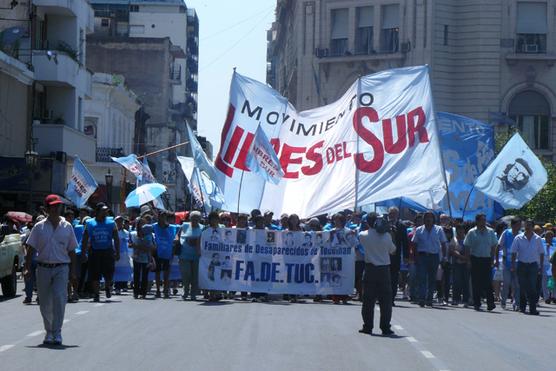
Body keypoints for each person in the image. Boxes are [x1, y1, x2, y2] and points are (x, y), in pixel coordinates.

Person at [24, 195, 78, 345]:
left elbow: (72, 250)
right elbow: (31, 248)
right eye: (52, 207)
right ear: (46, 209)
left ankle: (57, 331)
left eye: (57, 206)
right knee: (45, 302)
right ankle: (49, 331)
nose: (55, 209)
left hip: (61, 268)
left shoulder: (67, 226)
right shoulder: (39, 227)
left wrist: (73, 272)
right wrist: (27, 268)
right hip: (43, 268)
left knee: (60, 299)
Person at [358, 213, 396, 336]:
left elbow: (361, 237)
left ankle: (367, 326)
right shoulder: (387, 236)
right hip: (384, 270)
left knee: (368, 300)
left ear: (368, 223)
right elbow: (393, 250)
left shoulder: (363, 235)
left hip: (370, 269)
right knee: (386, 300)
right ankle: (385, 327)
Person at [81, 203, 120, 302]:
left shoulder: (111, 222)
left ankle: (107, 287)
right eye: (103, 211)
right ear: (97, 211)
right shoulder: (89, 223)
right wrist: (83, 253)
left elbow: (116, 238)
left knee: (109, 273)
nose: (105, 212)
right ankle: (96, 294)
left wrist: (117, 252)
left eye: (106, 211)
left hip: (108, 251)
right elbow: (85, 238)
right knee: (95, 274)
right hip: (94, 251)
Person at [412, 212, 447, 307]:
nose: (428, 219)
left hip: (434, 256)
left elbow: (444, 243)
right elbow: (414, 244)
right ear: (424, 219)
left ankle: (429, 299)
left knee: (432, 279)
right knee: (422, 278)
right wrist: (415, 257)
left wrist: (444, 257)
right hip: (422, 256)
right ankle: (422, 298)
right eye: (426, 217)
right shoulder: (419, 230)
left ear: (433, 219)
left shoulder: (438, 229)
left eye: (430, 218)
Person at [464, 213, 498, 311]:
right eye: (482, 220)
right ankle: (477, 303)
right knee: (476, 283)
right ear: (477, 221)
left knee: (488, 282)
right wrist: (468, 261)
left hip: (486, 259)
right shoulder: (471, 232)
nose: (484, 222)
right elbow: (467, 246)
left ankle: (490, 303)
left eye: (485, 220)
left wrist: (493, 259)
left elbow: (493, 246)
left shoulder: (491, 232)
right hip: (475, 259)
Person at [511, 219, 544, 315]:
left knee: (533, 287)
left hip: (533, 265)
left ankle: (532, 308)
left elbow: (541, 253)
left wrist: (540, 266)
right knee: (522, 287)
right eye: (526, 225)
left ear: (533, 227)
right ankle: (522, 307)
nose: (527, 227)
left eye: (529, 225)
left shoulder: (538, 239)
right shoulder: (518, 238)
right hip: (521, 264)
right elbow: (513, 252)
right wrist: (513, 265)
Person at [177, 211, 203, 301]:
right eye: (193, 218)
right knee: (186, 274)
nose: (195, 220)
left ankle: (193, 293)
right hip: (184, 254)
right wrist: (177, 240)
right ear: (190, 218)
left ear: (200, 219)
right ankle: (185, 291)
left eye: (197, 218)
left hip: (197, 255)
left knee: (195, 275)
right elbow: (178, 235)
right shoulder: (184, 225)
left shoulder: (202, 228)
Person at [153, 211, 179, 298]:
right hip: (157, 252)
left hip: (168, 252)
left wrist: (177, 237)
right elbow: (143, 227)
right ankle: (157, 290)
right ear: (158, 217)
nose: (162, 219)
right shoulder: (154, 226)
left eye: (164, 217)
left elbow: (182, 227)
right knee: (157, 272)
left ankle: (165, 289)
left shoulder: (172, 227)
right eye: (161, 216)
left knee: (166, 273)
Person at [497, 218, 521, 310]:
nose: (519, 227)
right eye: (518, 224)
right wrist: (496, 259)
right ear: (513, 225)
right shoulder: (506, 233)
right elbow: (499, 245)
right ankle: (503, 301)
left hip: (518, 263)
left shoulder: (521, 235)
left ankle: (516, 303)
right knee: (506, 283)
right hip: (506, 263)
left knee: (517, 285)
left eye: (520, 225)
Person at [387, 207, 409, 306]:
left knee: (394, 277)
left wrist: (406, 256)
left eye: (394, 213)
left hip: (395, 255)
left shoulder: (401, 225)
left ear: (397, 215)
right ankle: (382, 297)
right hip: (384, 255)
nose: (392, 215)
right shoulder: (383, 224)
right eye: (390, 213)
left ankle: (391, 298)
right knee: (384, 277)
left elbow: (405, 242)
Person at [129, 217, 155, 299]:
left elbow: (153, 247)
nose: (143, 226)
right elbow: (130, 245)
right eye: (141, 224)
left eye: (144, 224)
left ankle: (143, 292)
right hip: (136, 257)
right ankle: (136, 292)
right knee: (136, 275)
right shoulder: (133, 234)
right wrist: (137, 246)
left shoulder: (150, 235)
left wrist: (138, 246)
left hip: (146, 258)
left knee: (145, 276)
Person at [451, 225, 470, 306]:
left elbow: (470, 249)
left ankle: (466, 300)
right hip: (457, 263)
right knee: (456, 282)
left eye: (462, 229)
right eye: (458, 229)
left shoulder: (467, 239)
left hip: (466, 263)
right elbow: (452, 250)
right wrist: (460, 256)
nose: (460, 231)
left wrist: (466, 258)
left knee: (466, 282)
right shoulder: (454, 239)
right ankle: (455, 299)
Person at [114, 216, 132, 295]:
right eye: (118, 221)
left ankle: (124, 285)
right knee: (117, 270)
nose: (120, 223)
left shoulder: (127, 233)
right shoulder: (113, 232)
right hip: (116, 253)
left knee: (124, 270)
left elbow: (129, 243)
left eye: (121, 221)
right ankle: (117, 287)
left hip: (125, 254)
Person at [541, 230, 555, 303]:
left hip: (553, 266)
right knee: (545, 282)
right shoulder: (542, 245)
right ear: (545, 237)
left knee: (553, 281)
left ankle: (554, 296)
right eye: (547, 237)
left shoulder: (555, 246)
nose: (549, 238)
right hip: (544, 265)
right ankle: (546, 298)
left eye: (550, 237)